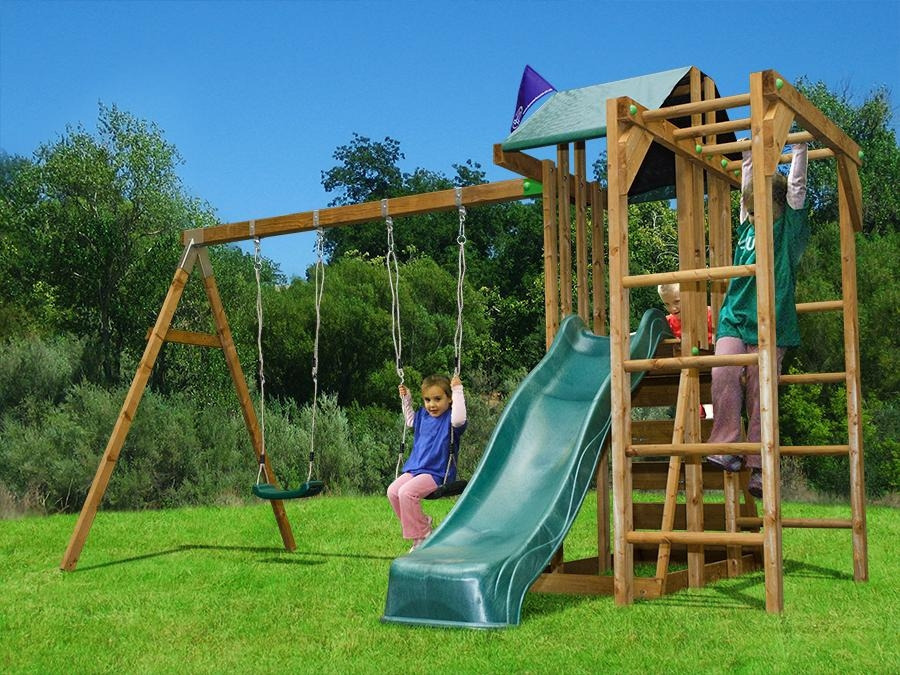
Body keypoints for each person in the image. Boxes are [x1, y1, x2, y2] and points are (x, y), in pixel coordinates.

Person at [707, 142, 809, 498]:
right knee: (723, 372)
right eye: (750, 209)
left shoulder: (788, 231)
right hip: (734, 317)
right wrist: (748, 158)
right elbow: (746, 192)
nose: (752, 215)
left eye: (760, 208)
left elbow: (796, 190)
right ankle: (726, 445)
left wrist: (800, 149)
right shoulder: (747, 227)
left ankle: (760, 467)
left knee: (760, 394)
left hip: (772, 322)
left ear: (779, 208)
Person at [387, 374, 467, 552]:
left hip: (437, 472)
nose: (432, 404)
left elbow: (460, 419)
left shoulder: (451, 419)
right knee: (393, 492)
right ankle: (422, 523)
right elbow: (409, 421)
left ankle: (422, 538)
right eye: (427, 399)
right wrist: (406, 398)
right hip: (416, 468)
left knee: (406, 493)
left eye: (438, 399)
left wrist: (458, 390)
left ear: (450, 399)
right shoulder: (422, 415)